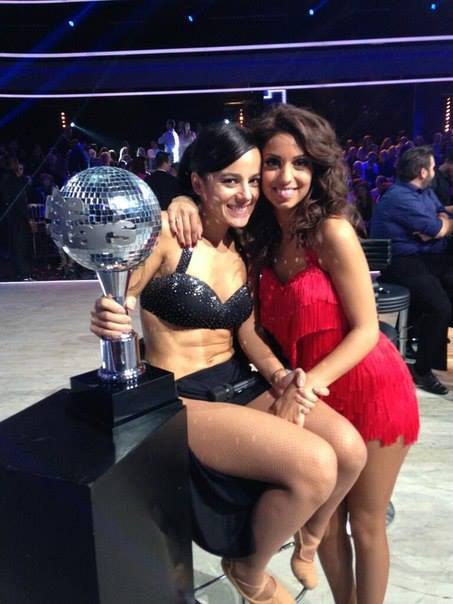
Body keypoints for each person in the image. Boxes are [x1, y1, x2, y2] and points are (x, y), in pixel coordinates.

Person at [91, 122, 367, 604]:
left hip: (239, 380)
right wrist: (108, 316)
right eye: (230, 180)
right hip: (181, 394)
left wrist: (280, 376)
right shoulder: (168, 235)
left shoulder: (243, 244)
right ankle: (249, 570)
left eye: (253, 181)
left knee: (349, 449)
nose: (246, 193)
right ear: (199, 182)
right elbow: (120, 298)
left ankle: (307, 538)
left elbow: (246, 332)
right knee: (317, 464)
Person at [168, 105, 419, 604]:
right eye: (273, 163)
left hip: (367, 385)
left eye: (301, 163)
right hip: (305, 388)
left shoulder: (331, 231)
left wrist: (304, 388)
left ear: (317, 168)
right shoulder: (254, 235)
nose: (287, 177)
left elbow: (368, 329)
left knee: (366, 523)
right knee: (326, 521)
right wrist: (180, 199)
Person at [371, 145, 453, 395]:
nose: (435, 171)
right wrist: (439, 226)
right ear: (422, 172)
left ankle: (431, 350)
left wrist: (440, 223)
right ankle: (422, 369)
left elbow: (441, 216)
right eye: (432, 167)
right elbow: (436, 229)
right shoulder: (400, 197)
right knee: (440, 307)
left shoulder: (424, 191)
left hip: (425, 255)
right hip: (400, 261)